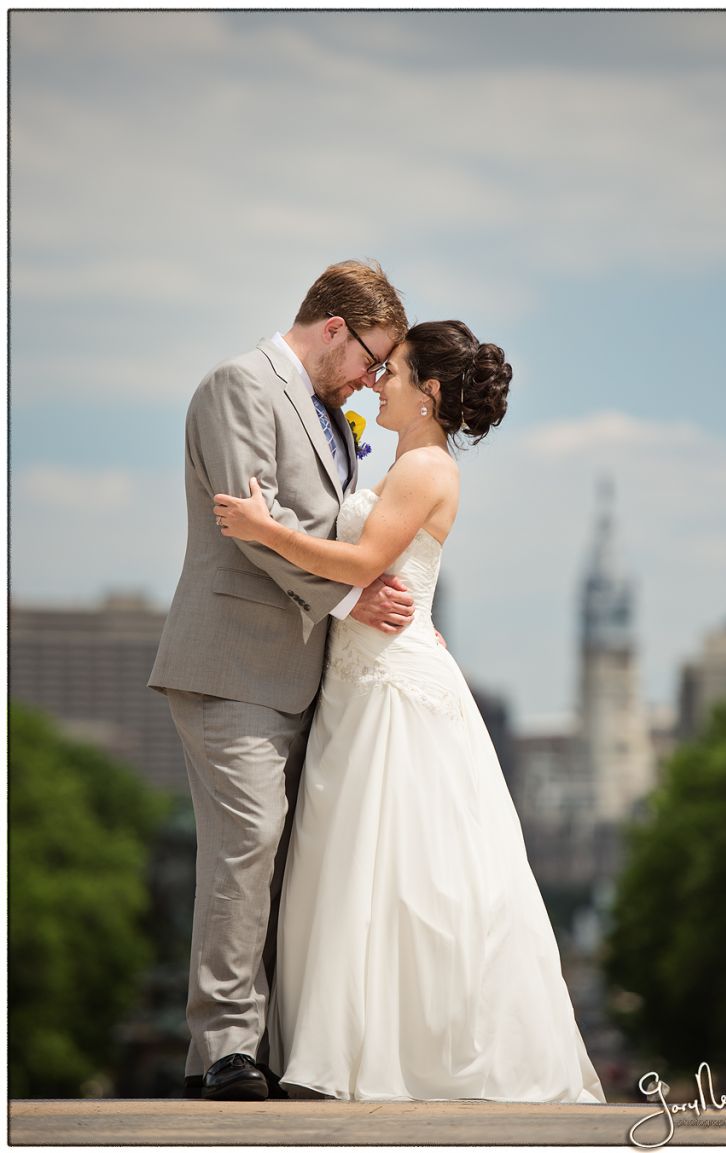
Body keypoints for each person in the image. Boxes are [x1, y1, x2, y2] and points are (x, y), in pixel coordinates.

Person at [212, 320, 607, 1104]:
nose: (376, 382)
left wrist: (265, 529)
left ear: (429, 390)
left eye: (392, 370)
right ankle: (347, 1050)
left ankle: (376, 1057)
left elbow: (363, 563)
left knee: (392, 863)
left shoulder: (426, 467)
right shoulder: (407, 460)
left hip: (394, 688)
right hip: (362, 679)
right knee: (352, 861)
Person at [148, 260, 412, 1102]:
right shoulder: (240, 386)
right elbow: (257, 529)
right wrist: (352, 596)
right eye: (372, 358)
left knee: (287, 861)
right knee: (248, 842)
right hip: (230, 662)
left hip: (302, 674)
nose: (373, 379)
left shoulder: (332, 414)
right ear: (334, 326)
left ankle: (255, 1047)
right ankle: (225, 1045)